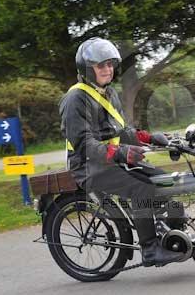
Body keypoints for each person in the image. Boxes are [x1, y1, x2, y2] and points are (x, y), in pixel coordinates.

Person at [59, 37, 183, 267]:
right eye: (101, 65)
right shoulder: (75, 98)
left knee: (165, 181)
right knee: (141, 188)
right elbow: (84, 143)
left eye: (110, 64)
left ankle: (171, 235)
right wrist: (121, 153)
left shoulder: (109, 93)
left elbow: (121, 130)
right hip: (88, 166)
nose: (108, 69)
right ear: (87, 69)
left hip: (112, 160)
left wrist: (149, 137)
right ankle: (151, 250)